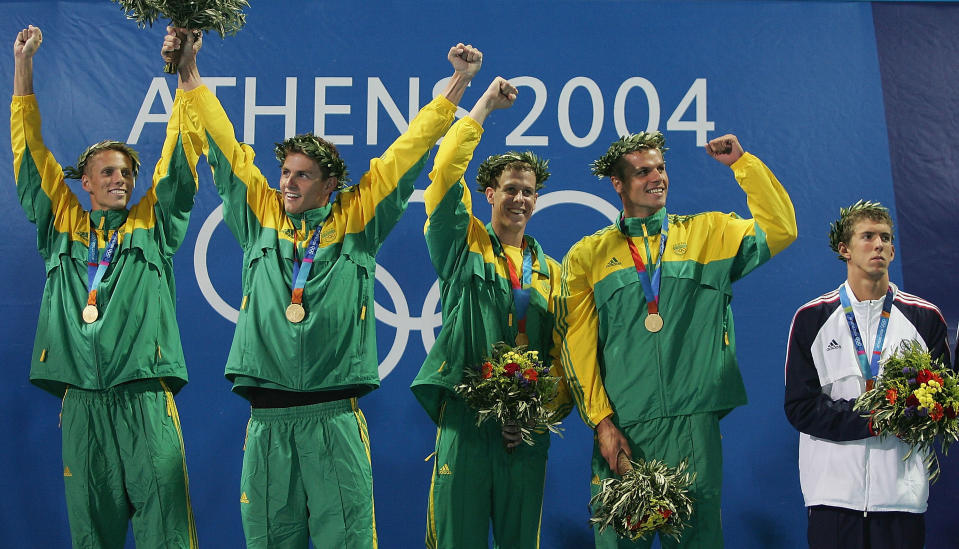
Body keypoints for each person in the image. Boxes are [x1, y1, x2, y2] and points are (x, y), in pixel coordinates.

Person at [163, 27, 482, 547]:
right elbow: (225, 148)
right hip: (266, 424)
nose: (287, 182)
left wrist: (457, 86)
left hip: (335, 421)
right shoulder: (259, 214)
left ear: (331, 184)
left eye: (302, 175)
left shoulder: (359, 217)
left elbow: (408, 155)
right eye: (285, 172)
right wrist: (190, 73)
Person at [557, 132, 797, 548]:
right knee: (618, 541)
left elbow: (781, 228)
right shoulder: (587, 256)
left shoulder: (710, 234)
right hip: (625, 427)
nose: (657, 178)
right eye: (643, 171)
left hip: (692, 426)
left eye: (661, 168)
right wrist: (602, 422)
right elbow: (575, 346)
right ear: (618, 183)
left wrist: (743, 165)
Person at [12, 25, 202, 547]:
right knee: (91, 533)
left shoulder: (153, 224)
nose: (120, 179)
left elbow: (182, 158)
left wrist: (186, 74)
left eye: (126, 173)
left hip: (144, 395)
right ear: (85, 182)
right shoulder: (61, 227)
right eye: (108, 172)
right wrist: (23, 68)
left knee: (166, 530)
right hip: (82, 403)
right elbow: (30, 160)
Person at [410, 77, 571, 549]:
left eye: (528, 191)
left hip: (526, 431)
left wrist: (535, 413)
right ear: (489, 194)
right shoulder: (464, 245)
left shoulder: (553, 273)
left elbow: (565, 355)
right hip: (467, 418)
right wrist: (482, 107)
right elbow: (442, 175)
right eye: (510, 189)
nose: (519, 199)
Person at [784, 200, 951, 549]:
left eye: (886, 238)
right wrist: (876, 418)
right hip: (832, 497)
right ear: (844, 249)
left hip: (901, 496)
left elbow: (943, 404)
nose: (879, 245)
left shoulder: (925, 318)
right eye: (868, 236)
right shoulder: (812, 318)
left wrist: (915, 410)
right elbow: (800, 407)